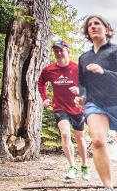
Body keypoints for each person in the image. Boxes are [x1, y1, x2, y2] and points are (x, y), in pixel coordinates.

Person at [74, 14, 117, 191]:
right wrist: (82, 97)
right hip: (95, 104)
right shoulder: (84, 58)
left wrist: (104, 72)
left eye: (97, 23)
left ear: (107, 29)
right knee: (98, 142)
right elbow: (82, 83)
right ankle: (108, 188)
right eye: (89, 25)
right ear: (87, 32)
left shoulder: (116, 51)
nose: (93, 26)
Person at [38, 40, 90, 181]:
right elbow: (41, 82)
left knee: (80, 138)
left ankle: (84, 166)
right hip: (60, 107)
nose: (59, 53)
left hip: (77, 107)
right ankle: (72, 167)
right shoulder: (49, 70)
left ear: (68, 52)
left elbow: (89, 85)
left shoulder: (78, 68)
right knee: (65, 134)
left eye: (61, 50)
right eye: (56, 51)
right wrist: (45, 98)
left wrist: (79, 91)